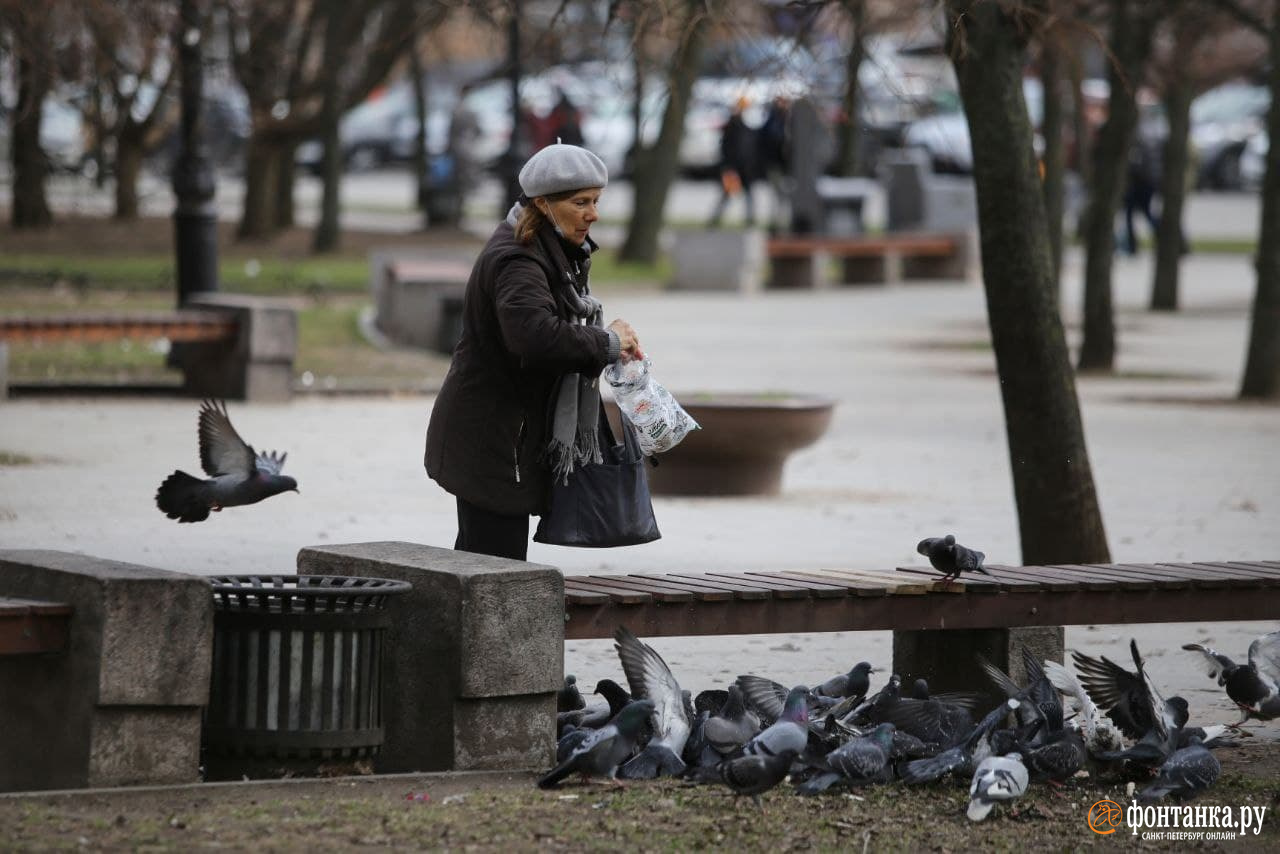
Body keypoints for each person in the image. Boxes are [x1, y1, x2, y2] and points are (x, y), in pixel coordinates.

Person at [425, 144, 642, 561]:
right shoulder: (519, 259)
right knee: (493, 573)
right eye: (580, 202)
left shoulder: (547, 247)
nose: (593, 214)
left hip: (504, 436)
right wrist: (607, 343)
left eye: (595, 201)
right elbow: (534, 337)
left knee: (482, 565)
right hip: (491, 440)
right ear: (543, 204)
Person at [708, 97, 759, 227]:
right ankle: (715, 219)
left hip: (744, 166)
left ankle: (749, 220)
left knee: (746, 194)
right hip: (733, 166)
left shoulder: (744, 126)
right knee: (727, 193)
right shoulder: (731, 126)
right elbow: (726, 148)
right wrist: (727, 165)